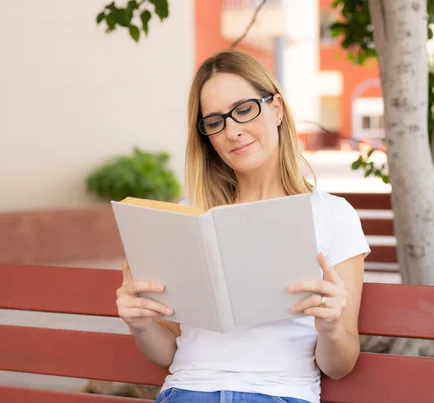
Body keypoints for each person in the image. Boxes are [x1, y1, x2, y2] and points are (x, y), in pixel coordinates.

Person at [115, 50, 371, 403]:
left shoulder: (332, 214)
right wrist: (140, 323)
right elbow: (169, 352)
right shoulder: (188, 217)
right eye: (215, 121)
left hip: (279, 394)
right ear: (207, 137)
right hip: (188, 391)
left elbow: (340, 365)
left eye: (244, 109)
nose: (233, 131)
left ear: (277, 109)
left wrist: (330, 328)